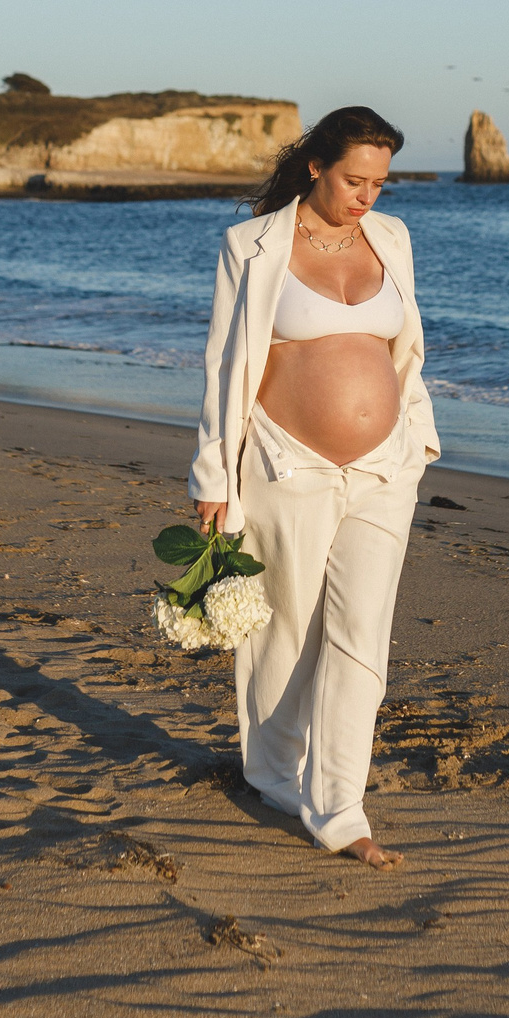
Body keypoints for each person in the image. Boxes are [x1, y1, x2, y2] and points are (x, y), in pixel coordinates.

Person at [190, 105, 438, 868]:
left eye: (380, 182)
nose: (368, 196)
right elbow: (224, 364)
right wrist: (213, 473)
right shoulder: (252, 246)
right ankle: (271, 773)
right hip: (286, 463)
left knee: (361, 634)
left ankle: (341, 808)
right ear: (315, 168)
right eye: (354, 179)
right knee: (286, 632)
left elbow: (405, 348)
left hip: (382, 468)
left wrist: (417, 438)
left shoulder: (391, 238)